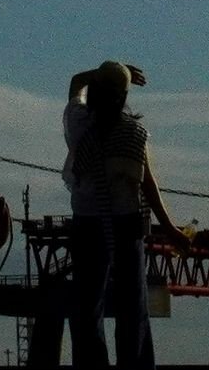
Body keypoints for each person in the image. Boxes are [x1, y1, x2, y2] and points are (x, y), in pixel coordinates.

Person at [61, 61, 178, 370]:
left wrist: (105, 73)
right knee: (132, 305)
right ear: (125, 97)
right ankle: (135, 365)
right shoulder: (134, 133)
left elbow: (75, 82)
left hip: (87, 221)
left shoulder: (78, 125)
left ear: (95, 90)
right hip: (126, 223)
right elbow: (148, 184)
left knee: (87, 305)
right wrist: (170, 228)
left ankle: (90, 365)